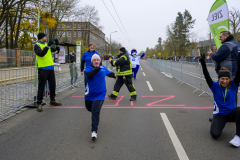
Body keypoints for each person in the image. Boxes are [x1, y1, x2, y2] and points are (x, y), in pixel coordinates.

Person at [199, 53, 240, 147]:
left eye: (227, 79)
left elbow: (239, 74)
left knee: (239, 110)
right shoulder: (214, 86)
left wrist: (239, 64)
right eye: (222, 79)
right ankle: (220, 122)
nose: (225, 81)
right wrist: (203, 64)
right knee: (215, 134)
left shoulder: (233, 85)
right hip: (220, 114)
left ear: (229, 79)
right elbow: (207, 76)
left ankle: (238, 137)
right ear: (219, 79)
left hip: (231, 113)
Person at [207, 31, 240, 122]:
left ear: (226, 36)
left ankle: (221, 115)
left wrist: (211, 54)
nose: (219, 38)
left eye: (221, 36)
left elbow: (217, 56)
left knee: (222, 93)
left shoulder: (227, 45)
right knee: (233, 94)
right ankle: (232, 115)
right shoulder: (235, 43)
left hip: (228, 74)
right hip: (234, 73)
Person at [84, 54, 116, 139]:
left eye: (98, 60)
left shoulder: (103, 68)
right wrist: (97, 69)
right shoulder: (89, 68)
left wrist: (114, 75)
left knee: (95, 111)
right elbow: (89, 75)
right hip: (89, 94)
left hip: (100, 94)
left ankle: (94, 131)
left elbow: (109, 73)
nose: (96, 61)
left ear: (100, 61)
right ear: (92, 61)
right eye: (94, 60)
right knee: (89, 108)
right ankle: (95, 115)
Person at [34, 33, 62, 112]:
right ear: (41, 38)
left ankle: (52, 100)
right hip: (43, 69)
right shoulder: (37, 45)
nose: (46, 37)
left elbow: (56, 51)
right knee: (41, 86)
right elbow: (41, 54)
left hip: (50, 68)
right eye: (45, 36)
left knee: (53, 85)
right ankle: (39, 103)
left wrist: (57, 45)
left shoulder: (46, 45)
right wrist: (48, 46)